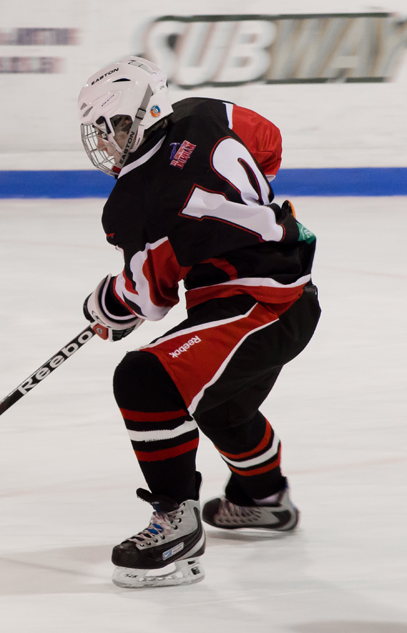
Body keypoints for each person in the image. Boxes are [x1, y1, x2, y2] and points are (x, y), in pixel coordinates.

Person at [76, 56, 320, 588]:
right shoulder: (207, 112)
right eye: (102, 130)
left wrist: (106, 305)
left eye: (115, 126)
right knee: (222, 407)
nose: (108, 141)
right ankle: (263, 499)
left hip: (259, 304)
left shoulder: (135, 204)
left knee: (144, 378)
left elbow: (148, 298)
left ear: (145, 114)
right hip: (288, 291)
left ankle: (176, 524)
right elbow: (268, 143)